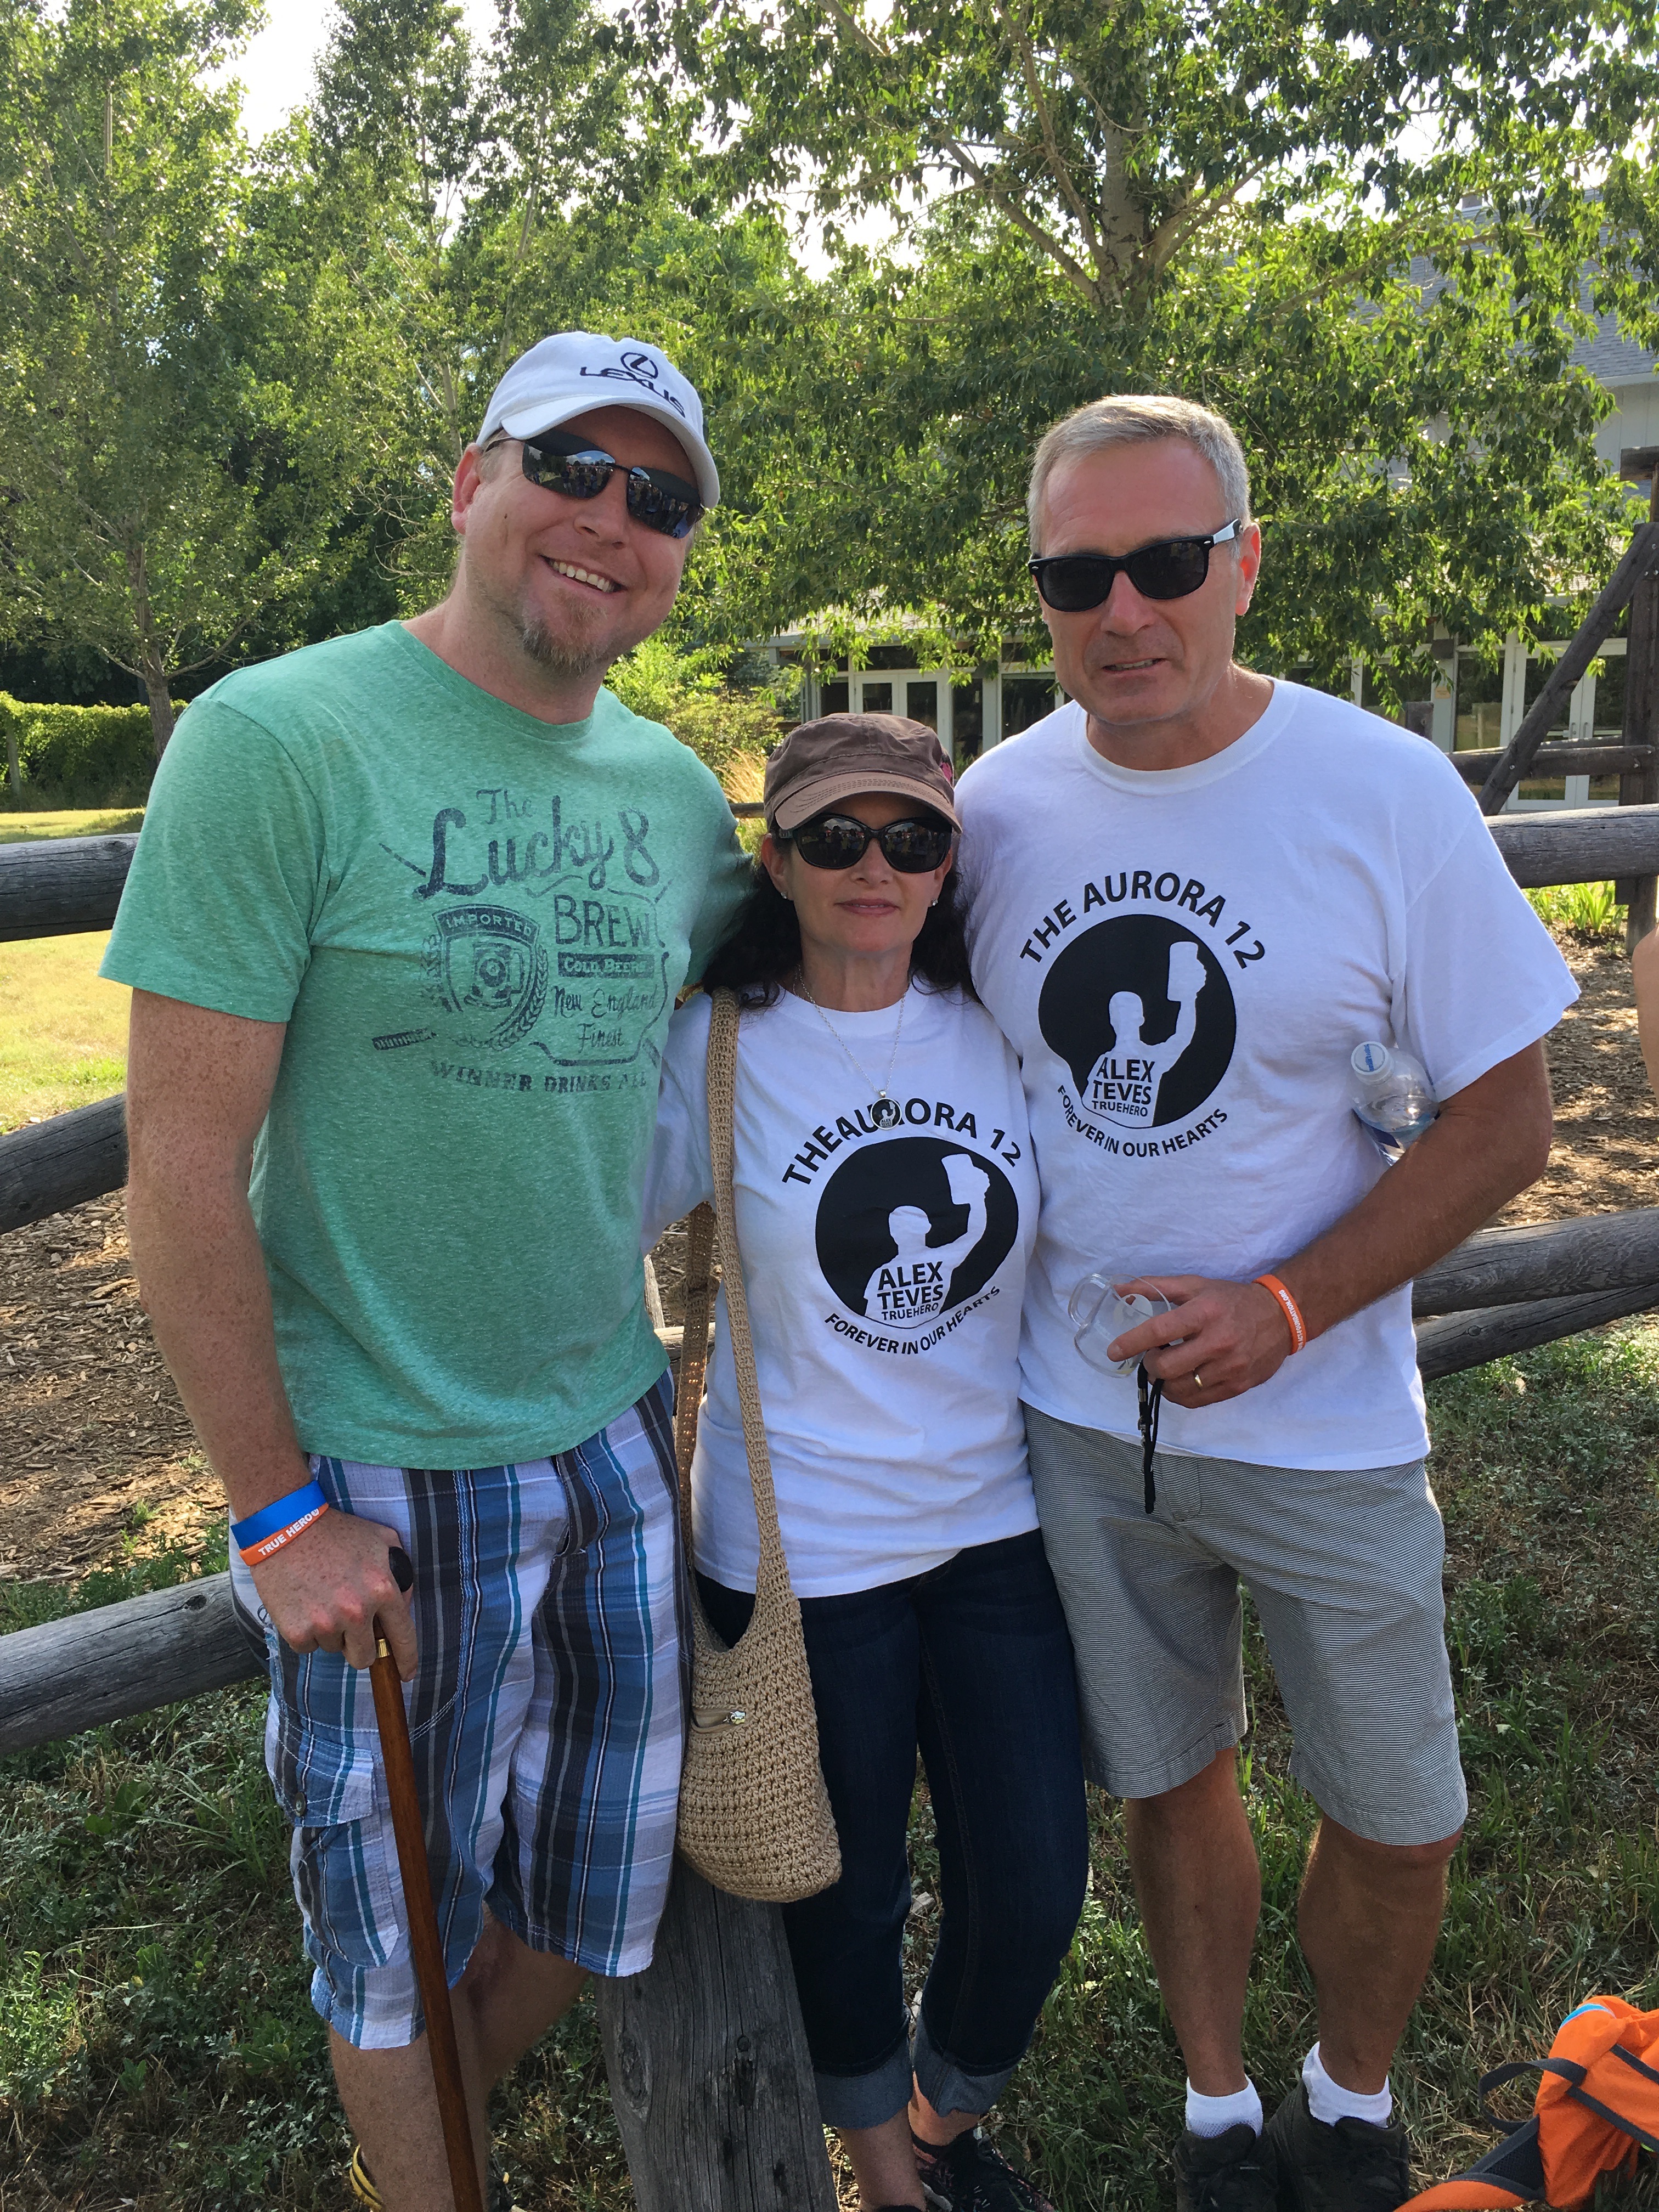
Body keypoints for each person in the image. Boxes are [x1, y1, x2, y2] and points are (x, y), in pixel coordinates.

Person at [100, 331, 749, 2212]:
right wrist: (274, 1511)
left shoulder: (677, 802)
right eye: (571, 467)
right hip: (374, 1461)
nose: (611, 518)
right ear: (471, 482)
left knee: (601, 1878)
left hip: (613, 1427)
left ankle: (429, 2135)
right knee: (389, 1928)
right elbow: (180, 1171)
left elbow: (794, 992)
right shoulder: (276, 738)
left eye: (659, 497)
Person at [954, 395, 1577, 2212]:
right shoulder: (990, 814)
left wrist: (1290, 1308)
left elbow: (1508, 1121)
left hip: (1326, 1420)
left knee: (1402, 1814)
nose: (1124, 610)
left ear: (1245, 564)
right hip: (1083, 1423)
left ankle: (1351, 2096)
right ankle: (1222, 2109)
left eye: (1167, 561)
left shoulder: (1383, 791)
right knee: (1173, 1782)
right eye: (1078, 575)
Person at [642, 713, 1090, 2212]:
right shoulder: (716, 1049)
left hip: (993, 1522)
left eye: (912, 837)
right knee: (841, 1892)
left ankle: (943, 2121)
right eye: (834, 836)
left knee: (1035, 1879)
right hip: (802, 1546)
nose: (874, 865)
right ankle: (892, 2181)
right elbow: (580, 1221)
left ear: (950, 863)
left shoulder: (998, 1030)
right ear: (777, 863)